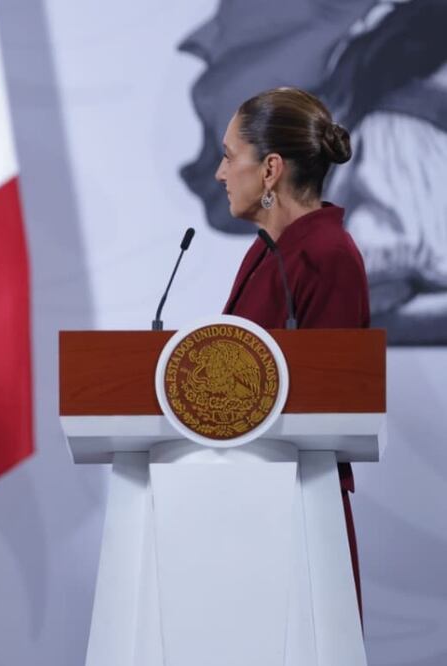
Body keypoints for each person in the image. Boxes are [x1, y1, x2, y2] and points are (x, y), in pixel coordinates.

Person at [216, 86, 368, 611]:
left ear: (270, 170)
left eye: (230, 156)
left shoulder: (328, 255)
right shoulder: (267, 252)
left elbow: (335, 407)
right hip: (251, 498)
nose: (220, 173)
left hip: (300, 505)